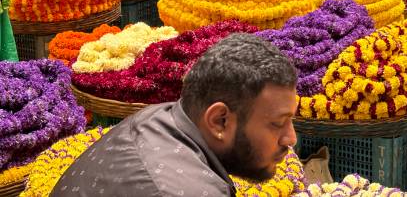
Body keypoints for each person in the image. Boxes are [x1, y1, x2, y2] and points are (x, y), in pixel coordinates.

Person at [50, 33, 298, 196]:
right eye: (277, 123)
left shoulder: (155, 119)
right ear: (219, 121)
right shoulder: (183, 191)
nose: (291, 138)